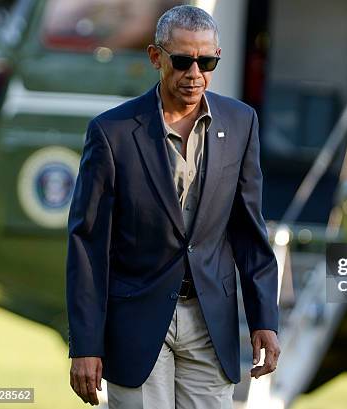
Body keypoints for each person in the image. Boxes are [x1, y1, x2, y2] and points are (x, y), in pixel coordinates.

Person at [65, 5, 280, 408]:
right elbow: (88, 245)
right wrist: (86, 343)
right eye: (182, 60)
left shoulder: (241, 123)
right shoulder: (111, 133)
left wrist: (264, 318)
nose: (195, 73)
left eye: (207, 60)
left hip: (210, 324)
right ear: (155, 57)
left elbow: (249, 231)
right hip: (137, 324)